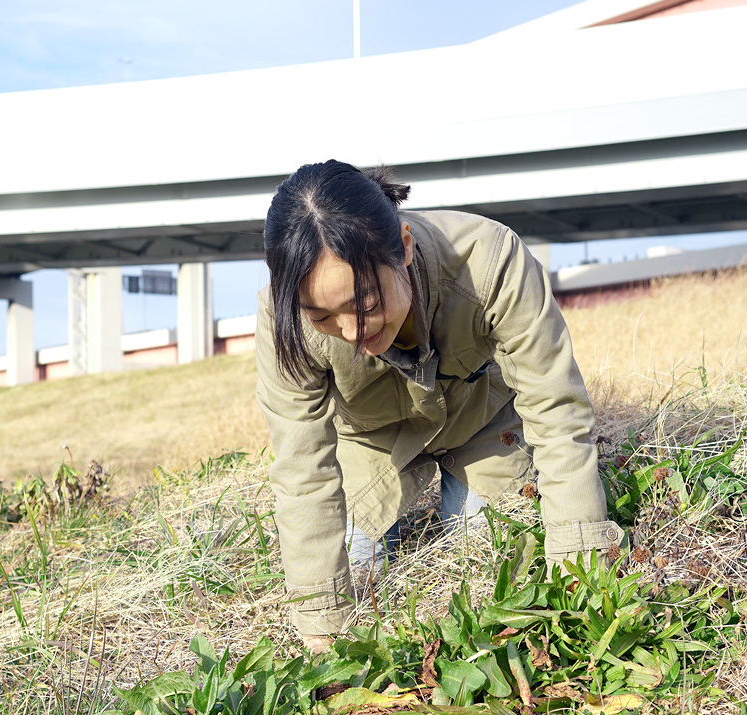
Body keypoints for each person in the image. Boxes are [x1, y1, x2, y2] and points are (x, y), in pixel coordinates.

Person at [256, 160, 624, 652]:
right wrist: (323, 627)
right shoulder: (281, 318)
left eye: (365, 305)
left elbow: (557, 411)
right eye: (323, 316)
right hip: (370, 445)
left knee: (494, 559)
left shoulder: (492, 260)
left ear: (404, 248)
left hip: (483, 424)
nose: (352, 333)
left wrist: (582, 555)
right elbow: (303, 468)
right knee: (353, 567)